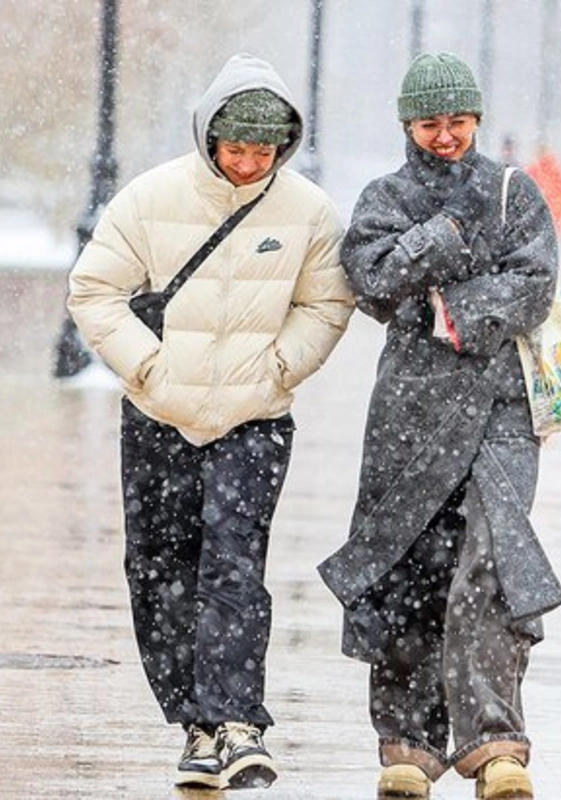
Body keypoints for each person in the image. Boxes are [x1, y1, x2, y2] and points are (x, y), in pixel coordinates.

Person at [66, 53, 355, 790]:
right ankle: (193, 722)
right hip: (158, 413)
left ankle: (237, 721)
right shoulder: (148, 198)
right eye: (237, 149)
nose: (251, 163)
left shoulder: (309, 212)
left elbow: (326, 304)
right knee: (158, 567)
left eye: (266, 151)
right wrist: (148, 368)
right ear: (209, 138)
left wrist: (278, 370)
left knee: (233, 563)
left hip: (254, 418)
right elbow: (94, 289)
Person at [318, 52, 561, 800]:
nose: (447, 135)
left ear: (477, 120)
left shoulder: (515, 193)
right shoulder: (383, 195)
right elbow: (371, 277)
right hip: (411, 410)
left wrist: (447, 308)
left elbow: (534, 281)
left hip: (499, 406)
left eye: (458, 121)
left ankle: (495, 743)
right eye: (432, 122)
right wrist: (447, 240)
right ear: (407, 124)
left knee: (490, 557)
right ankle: (409, 743)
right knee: (409, 562)